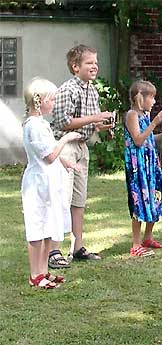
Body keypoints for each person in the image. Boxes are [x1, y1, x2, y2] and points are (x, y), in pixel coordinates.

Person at [51, 44, 115, 266]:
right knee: (62, 199)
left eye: (96, 62)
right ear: (75, 66)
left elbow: (91, 124)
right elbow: (63, 122)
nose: (95, 66)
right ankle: (54, 251)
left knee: (79, 201)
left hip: (82, 147)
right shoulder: (68, 89)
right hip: (65, 147)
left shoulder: (92, 89)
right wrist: (94, 118)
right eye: (90, 63)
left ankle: (77, 247)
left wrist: (103, 124)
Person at [21, 77, 81, 288]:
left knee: (48, 225)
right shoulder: (33, 126)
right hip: (38, 184)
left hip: (49, 181)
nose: (54, 103)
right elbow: (47, 156)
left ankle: (44, 270)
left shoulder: (41, 124)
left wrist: (67, 162)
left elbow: (51, 150)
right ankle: (35, 274)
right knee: (37, 227)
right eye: (52, 99)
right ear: (39, 101)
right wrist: (67, 138)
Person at [124, 80, 162, 257]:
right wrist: (155, 123)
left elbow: (149, 139)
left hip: (150, 165)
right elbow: (138, 140)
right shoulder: (132, 115)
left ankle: (148, 237)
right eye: (152, 97)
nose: (154, 102)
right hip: (138, 167)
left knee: (153, 197)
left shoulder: (145, 116)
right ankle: (136, 244)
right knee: (138, 201)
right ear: (140, 97)